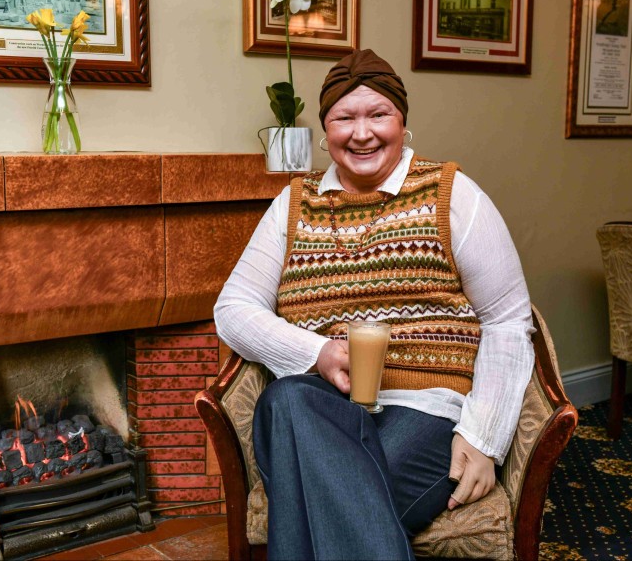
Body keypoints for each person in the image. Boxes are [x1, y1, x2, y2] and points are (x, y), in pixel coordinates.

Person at [214, 49, 534, 560]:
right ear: (325, 129)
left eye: (378, 114)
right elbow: (233, 308)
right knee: (287, 400)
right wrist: (318, 354)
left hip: (427, 410)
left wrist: (483, 437)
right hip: (323, 407)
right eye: (345, 118)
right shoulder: (293, 205)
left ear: (402, 121)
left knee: (314, 491)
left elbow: (508, 320)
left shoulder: (453, 194)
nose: (362, 133)